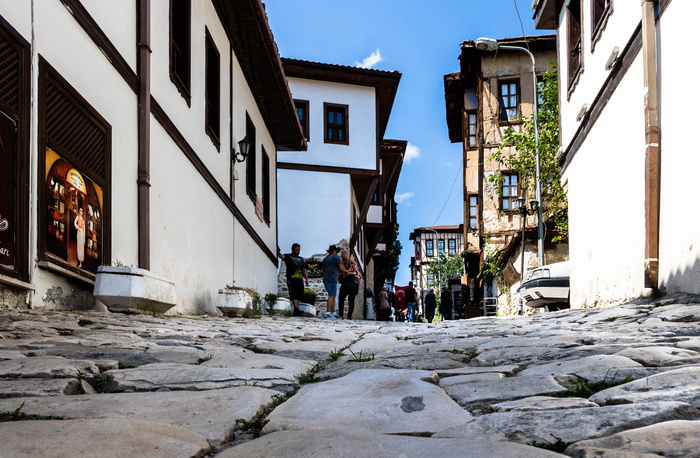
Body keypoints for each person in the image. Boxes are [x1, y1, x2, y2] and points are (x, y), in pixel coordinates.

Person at [278, 243, 309, 316]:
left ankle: (297, 309)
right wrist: (277, 251)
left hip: (299, 279)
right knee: (294, 294)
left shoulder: (301, 259)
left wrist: (306, 279)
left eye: (299, 250)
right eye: (297, 250)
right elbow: (281, 256)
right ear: (292, 249)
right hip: (291, 278)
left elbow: (303, 270)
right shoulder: (288, 256)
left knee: (299, 294)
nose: (298, 251)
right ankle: (296, 309)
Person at [321, 245, 346, 319]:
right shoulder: (336, 257)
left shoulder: (325, 259)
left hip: (326, 278)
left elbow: (323, 269)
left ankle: (334, 312)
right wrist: (347, 271)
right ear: (334, 251)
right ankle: (328, 312)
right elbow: (342, 268)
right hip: (332, 279)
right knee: (332, 295)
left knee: (332, 295)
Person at [338, 249, 360, 319]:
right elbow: (338, 274)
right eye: (344, 259)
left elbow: (358, 274)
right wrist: (342, 274)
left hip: (352, 284)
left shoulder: (353, 263)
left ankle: (349, 316)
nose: (345, 261)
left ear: (349, 258)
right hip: (344, 283)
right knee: (341, 299)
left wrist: (350, 273)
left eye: (346, 259)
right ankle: (341, 315)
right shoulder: (340, 264)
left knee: (351, 300)